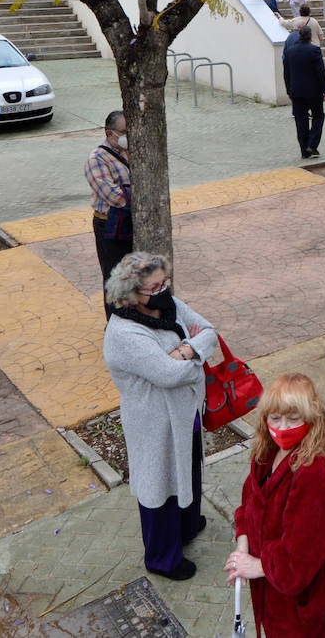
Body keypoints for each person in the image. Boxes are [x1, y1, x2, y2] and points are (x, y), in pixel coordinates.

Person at [103, 252, 220, 580]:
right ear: (131, 292)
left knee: (188, 470)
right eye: (154, 286)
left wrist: (185, 351)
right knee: (160, 483)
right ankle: (162, 558)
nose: (163, 290)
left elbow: (209, 331)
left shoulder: (168, 305)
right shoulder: (124, 333)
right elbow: (168, 374)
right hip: (153, 422)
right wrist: (195, 355)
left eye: (164, 282)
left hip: (185, 413)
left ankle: (186, 526)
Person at [226, 373, 325, 636]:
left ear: (311, 417)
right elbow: (249, 498)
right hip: (273, 596)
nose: (283, 427)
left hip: (301, 605)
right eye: (275, 418)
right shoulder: (268, 452)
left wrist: (257, 566)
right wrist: (243, 548)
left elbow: (303, 553)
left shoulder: (315, 471)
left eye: (293, 418)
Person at [86, 110, 133, 312]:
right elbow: (114, 196)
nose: (127, 136)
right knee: (114, 276)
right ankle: (115, 323)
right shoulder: (97, 158)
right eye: (123, 132)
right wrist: (138, 195)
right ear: (109, 133)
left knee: (135, 274)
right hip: (109, 224)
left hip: (131, 221)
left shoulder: (135, 150)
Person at [283, 24, 325, 158]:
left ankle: (304, 150)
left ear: (299, 35)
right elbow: (320, 72)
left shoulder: (289, 51)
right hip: (313, 91)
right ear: (310, 36)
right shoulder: (314, 50)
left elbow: (286, 73)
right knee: (318, 116)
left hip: (296, 91)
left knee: (300, 120)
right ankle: (312, 144)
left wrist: (288, 90)